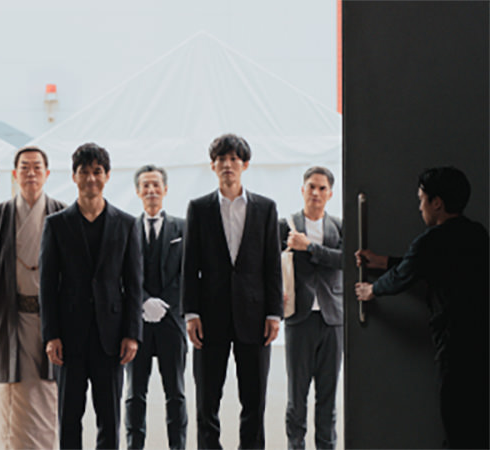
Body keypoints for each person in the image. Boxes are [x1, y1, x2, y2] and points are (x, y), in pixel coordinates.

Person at [354, 167, 489, 449]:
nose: (419, 208)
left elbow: (404, 275)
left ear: (436, 203)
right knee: (476, 423)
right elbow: (418, 265)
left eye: (421, 200)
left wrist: (371, 290)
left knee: (455, 420)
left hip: (453, 342)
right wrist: (382, 261)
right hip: (482, 339)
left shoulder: (431, 241)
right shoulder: (476, 233)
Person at [181, 133, 282, 449]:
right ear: (212, 166)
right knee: (207, 400)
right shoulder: (199, 208)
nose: (227, 165)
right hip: (209, 317)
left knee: (254, 400)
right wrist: (191, 313)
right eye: (221, 159)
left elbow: (272, 265)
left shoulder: (266, 208)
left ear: (245, 165)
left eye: (234, 159)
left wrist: (274, 313)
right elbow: (189, 265)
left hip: (255, 317)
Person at [40, 143, 143, 449]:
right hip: (69, 338)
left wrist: (132, 334)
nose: (91, 178)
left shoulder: (126, 224)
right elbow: (47, 284)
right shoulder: (56, 224)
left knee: (109, 418)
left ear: (107, 176)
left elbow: (134, 284)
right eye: (84, 172)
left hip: (111, 338)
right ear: (74, 176)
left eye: (97, 171)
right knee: (69, 417)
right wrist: (51, 335)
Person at [0, 146, 66, 449]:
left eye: (37, 167)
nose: (31, 173)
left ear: (47, 173)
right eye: (24, 167)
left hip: (50, 320)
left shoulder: (61, 213)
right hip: (11, 317)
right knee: (12, 392)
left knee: (47, 392)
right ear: (15, 174)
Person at [124, 165, 187, 450]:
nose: (151, 190)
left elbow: (188, 272)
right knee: (134, 393)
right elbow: (121, 273)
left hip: (172, 321)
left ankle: (178, 447)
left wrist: (166, 303)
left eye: (156, 185)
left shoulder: (182, 228)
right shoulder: (127, 228)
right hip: (135, 324)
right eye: (145, 185)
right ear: (138, 191)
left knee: (176, 392)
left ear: (165, 189)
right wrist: (143, 301)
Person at [280, 166, 343, 449]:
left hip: (333, 319)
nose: (316, 193)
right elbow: (269, 266)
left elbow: (346, 261)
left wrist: (310, 248)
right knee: (297, 397)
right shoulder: (286, 225)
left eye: (322, 188)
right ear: (302, 190)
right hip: (299, 318)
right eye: (311, 187)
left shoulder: (339, 226)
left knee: (328, 398)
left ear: (330, 194)